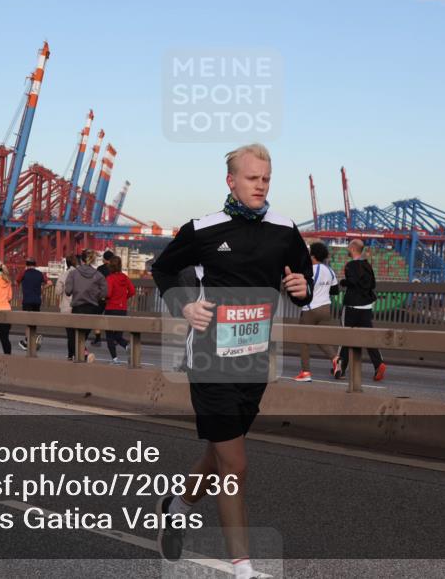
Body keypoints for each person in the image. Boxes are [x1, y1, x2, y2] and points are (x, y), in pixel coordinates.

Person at [151, 143, 313, 578]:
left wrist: (301, 289)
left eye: (266, 178)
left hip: (254, 363)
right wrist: (185, 305)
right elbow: (162, 269)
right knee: (235, 465)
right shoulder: (204, 229)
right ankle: (243, 569)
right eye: (252, 178)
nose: (261, 185)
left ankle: (176, 508)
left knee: (220, 456)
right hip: (209, 361)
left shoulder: (284, 230)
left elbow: (302, 279)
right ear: (231, 181)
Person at [335, 239, 386, 381]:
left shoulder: (350, 265)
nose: (347, 248)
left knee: (345, 337)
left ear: (352, 248)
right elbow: (373, 284)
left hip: (352, 306)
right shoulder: (367, 265)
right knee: (369, 337)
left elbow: (352, 282)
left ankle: (340, 368)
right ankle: (379, 364)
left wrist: (343, 282)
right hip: (366, 307)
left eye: (348, 246)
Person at [293, 241, 339, 382]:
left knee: (304, 340)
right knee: (320, 338)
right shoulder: (330, 271)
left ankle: (305, 372)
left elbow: (303, 288)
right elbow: (335, 291)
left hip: (311, 309)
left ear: (312, 256)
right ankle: (335, 358)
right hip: (326, 309)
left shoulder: (310, 270)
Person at [65, 249, 108, 362]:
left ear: (81, 260)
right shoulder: (98, 275)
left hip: (77, 308)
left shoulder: (73, 273)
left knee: (74, 336)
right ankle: (82, 356)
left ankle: (82, 356)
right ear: (93, 259)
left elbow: (68, 291)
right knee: (82, 336)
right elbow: (104, 293)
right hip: (92, 309)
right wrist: (96, 295)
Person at [104, 255, 136, 364]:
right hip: (122, 309)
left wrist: (103, 298)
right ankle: (127, 346)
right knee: (118, 336)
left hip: (111, 309)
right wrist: (124, 298)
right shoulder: (125, 278)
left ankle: (115, 359)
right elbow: (132, 291)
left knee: (109, 336)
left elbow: (108, 294)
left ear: (110, 266)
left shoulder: (110, 278)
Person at [17, 258, 46, 351]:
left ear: (26, 265)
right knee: (34, 321)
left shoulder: (23, 273)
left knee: (28, 322)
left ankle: (27, 341)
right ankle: (32, 339)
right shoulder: (40, 274)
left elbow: (17, 281)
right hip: (37, 301)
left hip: (27, 300)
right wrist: (41, 289)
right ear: (35, 264)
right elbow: (49, 283)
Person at [91, 249, 115, 346]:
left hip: (100, 297)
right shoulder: (114, 269)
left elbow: (95, 283)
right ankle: (113, 339)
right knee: (111, 318)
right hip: (112, 298)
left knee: (97, 317)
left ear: (104, 259)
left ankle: (98, 339)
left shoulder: (100, 269)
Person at [56, 255, 77, 360]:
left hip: (66, 307)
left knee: (70, 333)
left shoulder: (63, 275)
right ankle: (78, 353)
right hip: (78, 307)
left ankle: (70, 354)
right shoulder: (79, 274)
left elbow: (58, 292)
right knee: (78, 332)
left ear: (66, 263)